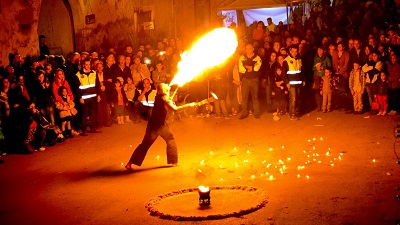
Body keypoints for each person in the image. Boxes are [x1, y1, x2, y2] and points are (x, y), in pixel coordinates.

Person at [124, 83, 202, 170]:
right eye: (165, 85)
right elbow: (175, 110)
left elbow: (165, 104)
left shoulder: (158, 97)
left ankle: (129, 163)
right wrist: (189, 105)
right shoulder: (165, 99)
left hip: (152, 125)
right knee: (170, 139)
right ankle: (173, 162)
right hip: (160, 125)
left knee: (144, 145)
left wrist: (168, 100)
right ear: (164, 90)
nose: (167, 84)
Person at [238, 43, 262, 119]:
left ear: (253, 49)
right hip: (245, 80)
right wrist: (251, 67)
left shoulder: (257, 57)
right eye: (247, 48)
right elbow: (241, 69)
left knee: (255, 98)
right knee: (244, 98)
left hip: (254, 80)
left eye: (250, 48)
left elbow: (257, 68)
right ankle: (244, 113)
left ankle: (257, 113)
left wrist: (249, 67)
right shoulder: (242, 57)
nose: (248, 50)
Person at [283, 45, 304, 120]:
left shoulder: (299, 59)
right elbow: (284, 73)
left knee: (297, 98)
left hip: (298, 82)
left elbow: (301, 71)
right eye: (293, 51)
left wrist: (303, 80)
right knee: (293, 98)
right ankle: (292, 114)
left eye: (296, 51)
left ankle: (294, 112)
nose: (294, 53)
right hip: (291, 83)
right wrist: (286, 82)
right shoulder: (286, 60)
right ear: (290, 51)